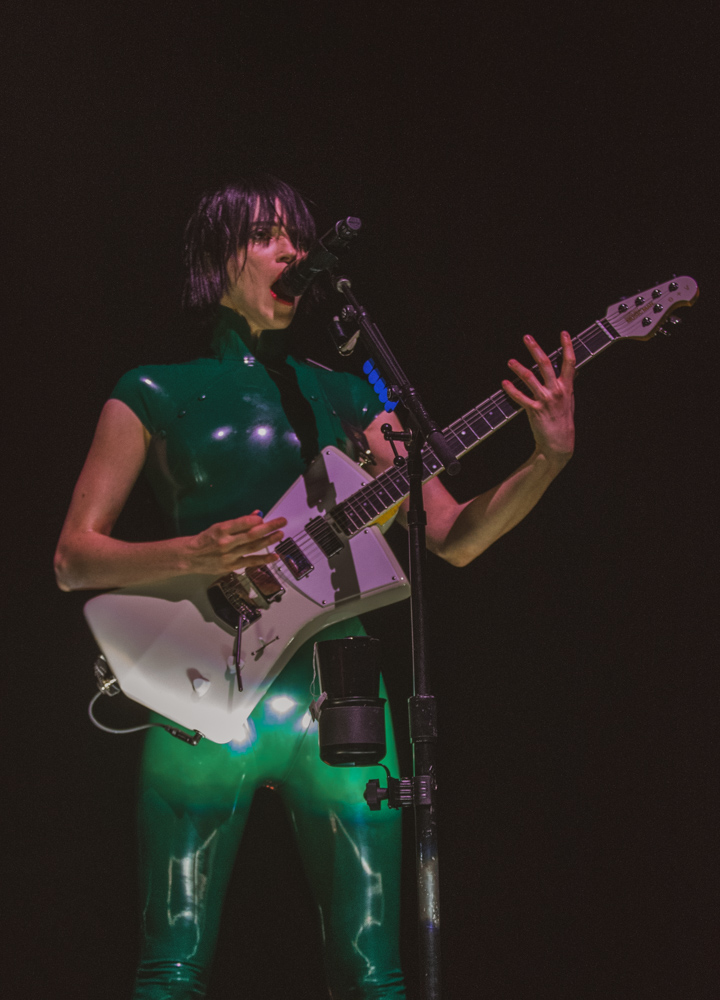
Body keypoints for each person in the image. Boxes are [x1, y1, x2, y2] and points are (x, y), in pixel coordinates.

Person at [54, 174, 576, 999]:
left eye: (297, 236)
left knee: (375, 972)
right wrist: (197, 551)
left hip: (341, 703)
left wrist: (547, 459)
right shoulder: (150, 390)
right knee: (172, 969)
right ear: (216, 258)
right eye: (266, 235)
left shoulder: (350, 393)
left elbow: (452, 537)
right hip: (198, 693)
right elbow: (74, 558)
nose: (292, 250)